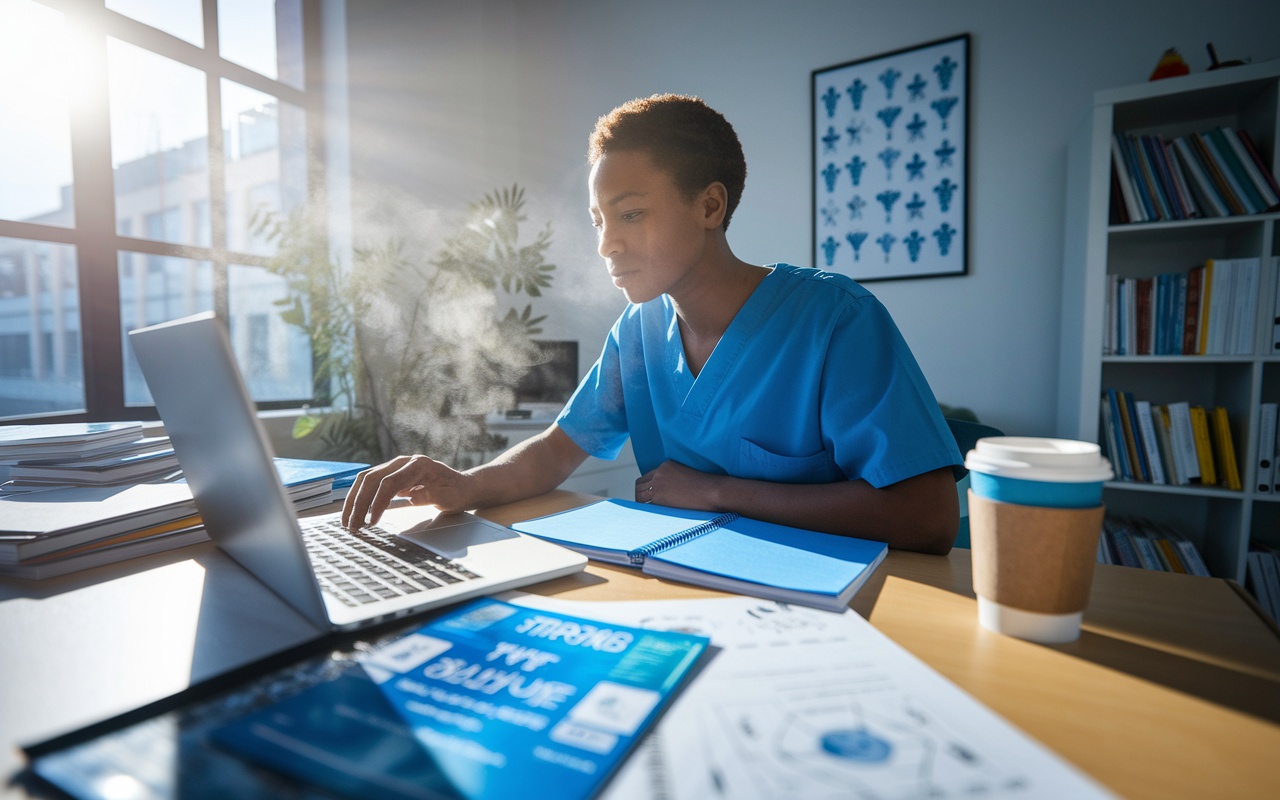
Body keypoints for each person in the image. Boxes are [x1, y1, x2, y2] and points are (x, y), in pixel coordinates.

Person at [343, 94, 962, 554]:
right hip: (686, 582)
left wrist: (718, 491)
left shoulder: (835, 320)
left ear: (710, 206)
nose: (607, 245)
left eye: (631, 214)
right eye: (598, 221)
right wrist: (464, 486)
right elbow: (556, 453)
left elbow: (928, 517)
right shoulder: (637, 334)